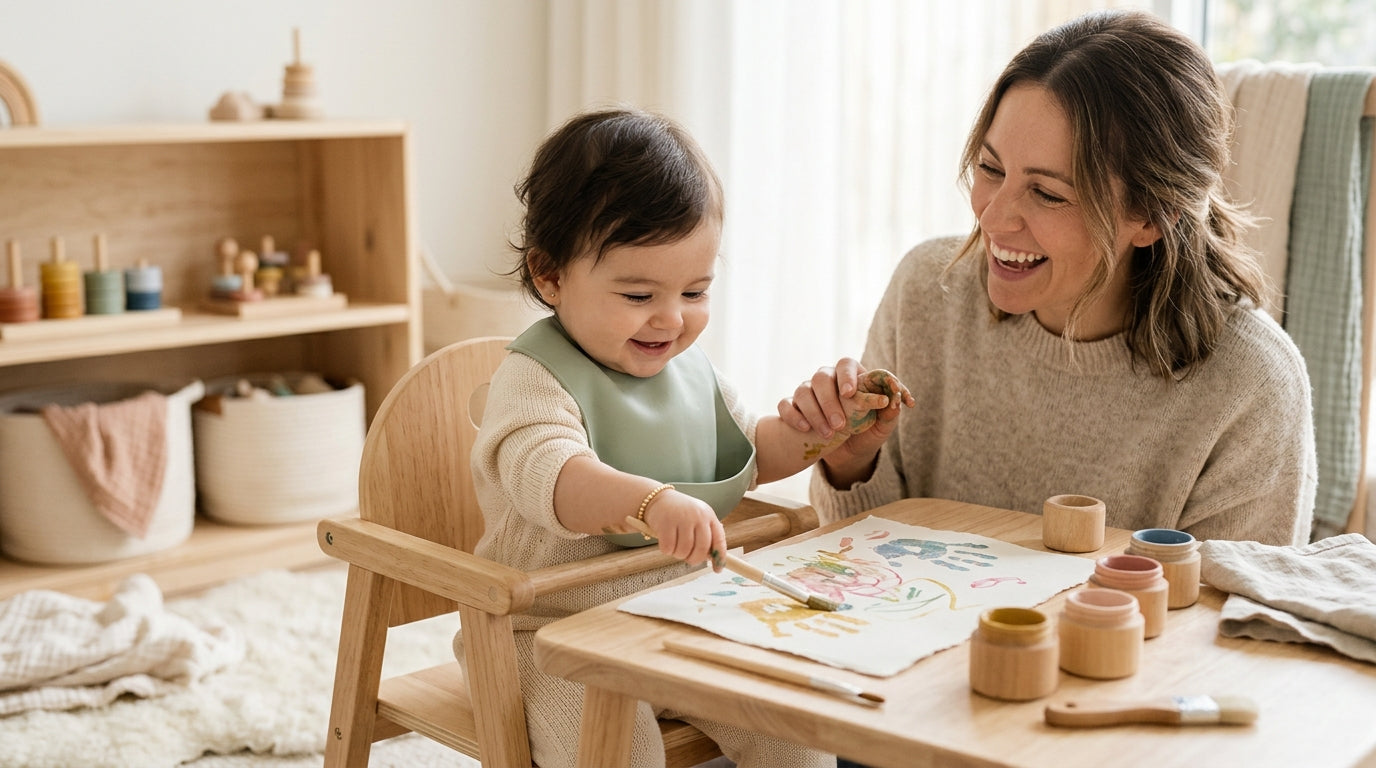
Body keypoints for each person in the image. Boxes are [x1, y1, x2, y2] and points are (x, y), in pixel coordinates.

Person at [461, 106, 912, 768]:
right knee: (616, 747)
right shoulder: (533, 379)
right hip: (545, 634)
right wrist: (651, 502)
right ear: (550, 275)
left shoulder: (691, 372)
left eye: (695, 291)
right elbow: (551, 477)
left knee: (790, 724)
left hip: (678, 615)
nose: (670, 319)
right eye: (639, 295)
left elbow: (748, 455)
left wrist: (827, 433)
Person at [782, 9, 1317, 552]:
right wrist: (850, 463)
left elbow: (1220, 621)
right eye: (991, 169)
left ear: (1152, 217)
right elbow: (868, 564)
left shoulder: (1251, 385)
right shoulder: (927, 292)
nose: (993, 219)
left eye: (1047, 193)